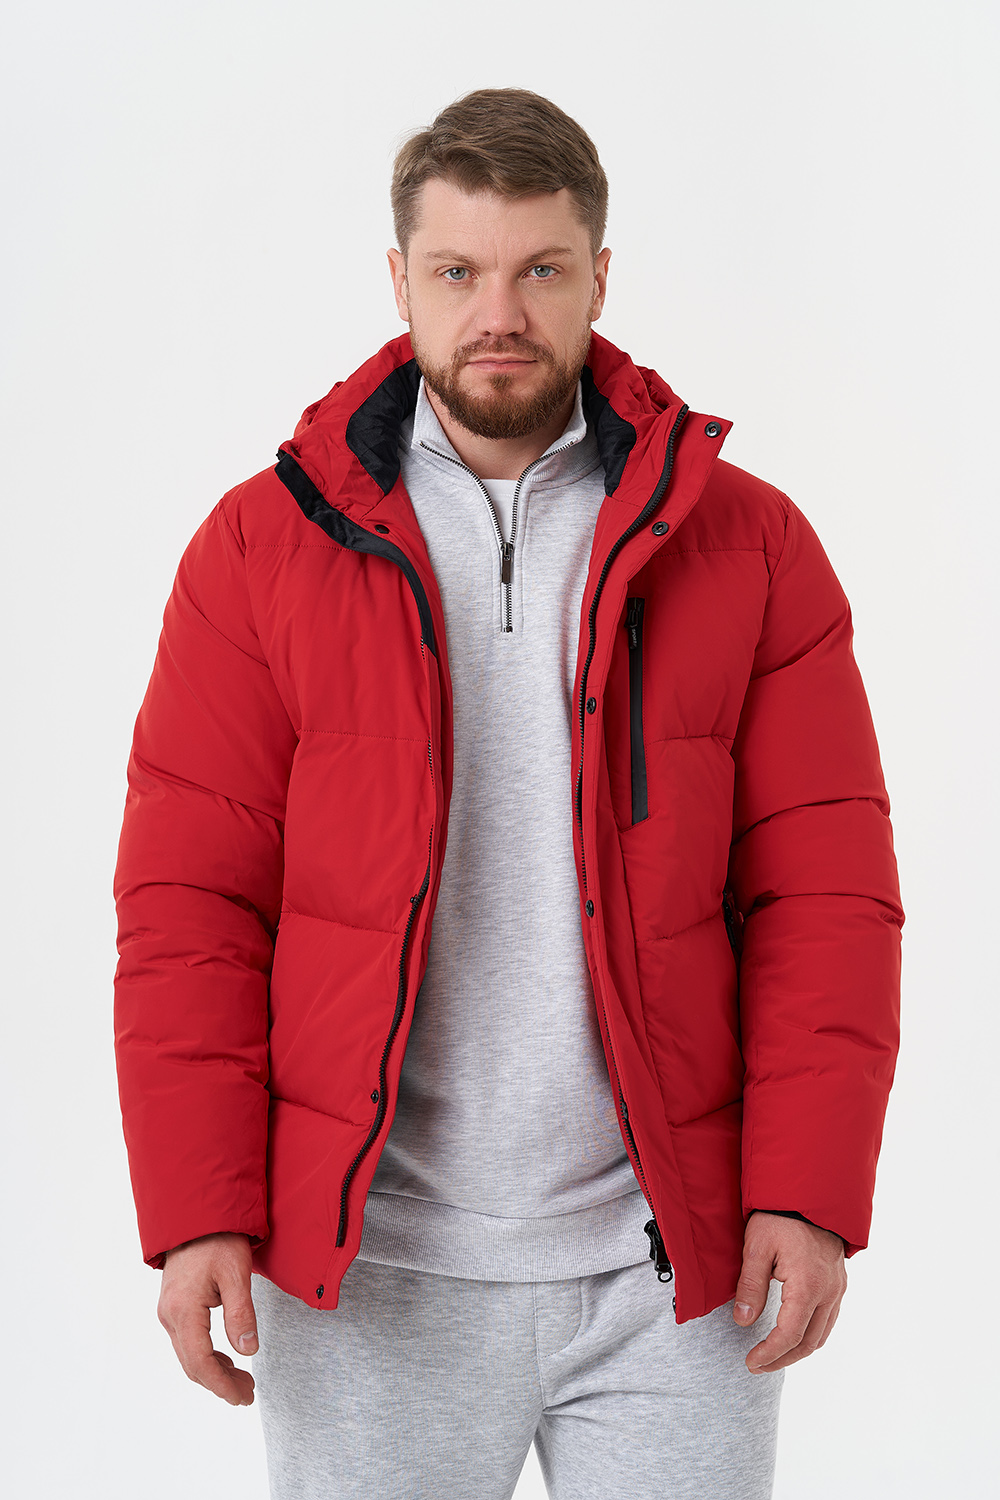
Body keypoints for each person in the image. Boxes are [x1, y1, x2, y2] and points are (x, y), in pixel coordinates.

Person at [113, 87, 903, 1499]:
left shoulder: (752, 546)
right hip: (371, 1275)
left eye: (540, 269)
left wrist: (807, 1189)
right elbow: (191, 908)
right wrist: (198, 1208)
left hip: (671, 1272)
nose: (500, 314)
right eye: (457, 271)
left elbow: (825, 894)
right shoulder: (258, 551)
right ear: (399, 281)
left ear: (600, 276)